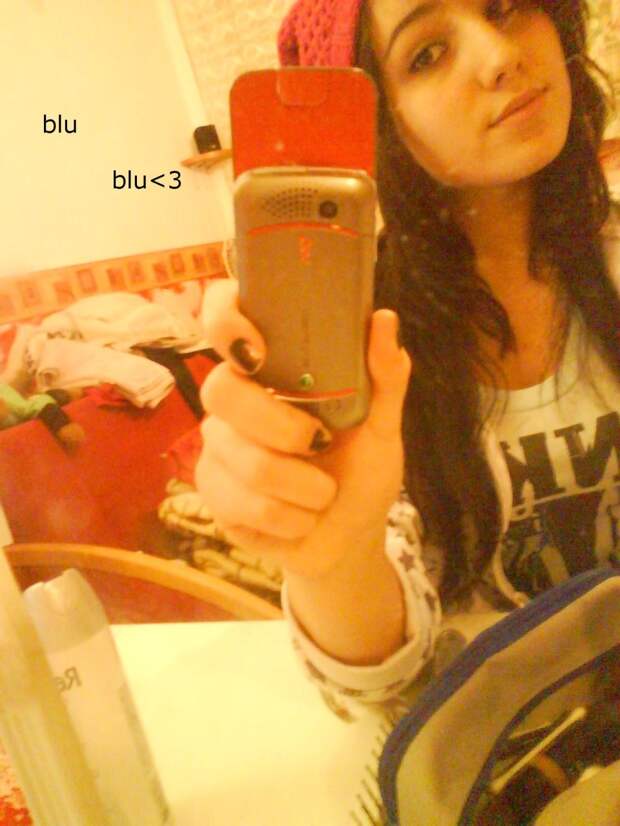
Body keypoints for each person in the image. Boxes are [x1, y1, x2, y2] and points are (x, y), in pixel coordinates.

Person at [195, 0, 620, 711]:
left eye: (506, 7)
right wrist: (338, 560)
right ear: (380, 123)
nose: (500, 56)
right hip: (499, 748)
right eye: (426, 54)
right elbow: (386, 684)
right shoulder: (367, 341)